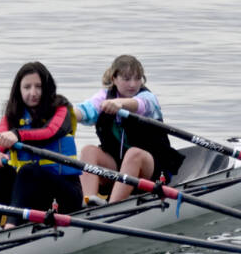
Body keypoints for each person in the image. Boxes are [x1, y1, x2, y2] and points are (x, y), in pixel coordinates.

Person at [0, 61, 83, 229]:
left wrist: (17, 135)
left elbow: (49, 132)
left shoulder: (60, 109)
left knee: (28, 171)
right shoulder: (12, 114)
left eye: (38, 86)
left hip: (65, 195)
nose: (33, 93)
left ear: (47, 88)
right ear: (18, 90)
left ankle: (11, 227)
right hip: (31, 197)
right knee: (1, 170)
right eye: (27, 87)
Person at [73, 54, 186, 203]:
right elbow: (84, 110)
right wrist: (63, 116)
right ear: (114, 79)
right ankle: (88, 203)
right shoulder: (103, 97)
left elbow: (140, 104)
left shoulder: (148, 98)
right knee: (88, 150)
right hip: (118, 169)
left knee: (134, 154)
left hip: (151, 169)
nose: (133, 84)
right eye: (126, 79)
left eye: (137, 78)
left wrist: (121, 104)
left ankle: (113, 207)